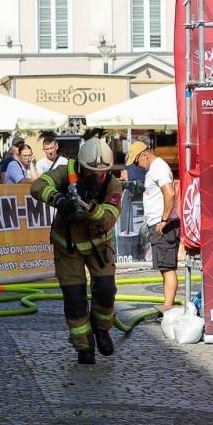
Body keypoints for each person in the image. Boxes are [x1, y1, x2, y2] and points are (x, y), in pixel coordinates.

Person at [31, 136, 124, 365]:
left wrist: (90, 208)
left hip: (98, 247)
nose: (95, 177)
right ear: (81, 165)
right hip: (68, 246)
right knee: (74, 297)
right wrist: (60, 199)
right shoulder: (65, 172)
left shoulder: (112, 185)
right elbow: (37, 187)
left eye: (100, 173)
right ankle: (84, 346)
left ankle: (101, 329)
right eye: (91, 171)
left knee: (105, 289)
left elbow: (109, 218)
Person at [128, 140, 179, 314]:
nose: (137, 166)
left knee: (167, 268)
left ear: (145, 155)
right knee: (165, 268)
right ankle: (167, 306)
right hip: (159, 224)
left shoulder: (158, 167)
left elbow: (170, 193)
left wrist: (164, 219)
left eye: (137, 161)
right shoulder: (155, 168)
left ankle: (168, 308)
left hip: (163, 225)